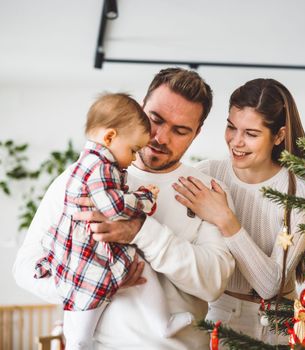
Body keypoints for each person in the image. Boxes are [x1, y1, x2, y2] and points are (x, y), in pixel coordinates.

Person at [13, 68, 235, 350]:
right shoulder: (79, 178)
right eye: (155, 119)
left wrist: (140, 230)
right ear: (141, 108)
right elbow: (24, 268)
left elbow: (212, 283)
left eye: (180, 130)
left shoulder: (206, 190)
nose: (160, 137)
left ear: (197, 133)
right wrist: (93, 282)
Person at [34, 92, 192, 349]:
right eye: (133, 150)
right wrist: (144, 199)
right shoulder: (101, 167)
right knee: (84, 311)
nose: (133, 158)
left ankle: (161, 323)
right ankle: (82, 342)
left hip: (89, 245)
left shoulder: (88, 163)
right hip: (89, 251)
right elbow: (113, 206)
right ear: (109, 138)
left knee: (139, 271)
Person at [173, 78, 305, 345]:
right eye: (231, 127)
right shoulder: (207, 174)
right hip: (215, 317)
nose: (236, 142)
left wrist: (225, 219)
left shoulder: (298, 191)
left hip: (277, 327)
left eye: (251, 134)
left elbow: (270, 285)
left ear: (279, 136)